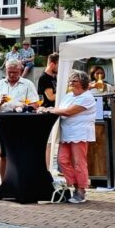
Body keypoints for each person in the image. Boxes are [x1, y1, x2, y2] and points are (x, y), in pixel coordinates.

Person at [43, 70, 96, 204]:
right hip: (66, 133)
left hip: (80, 133)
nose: (71, 83)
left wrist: (49, 110)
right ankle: (74, 184)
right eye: (70, 81)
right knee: (62, 160)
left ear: (83, 83)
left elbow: (68, 112)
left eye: (74, 81)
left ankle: (81, 190)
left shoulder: (87, 97)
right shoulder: (67, 96)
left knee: (79, 162)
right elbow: (61, 110)